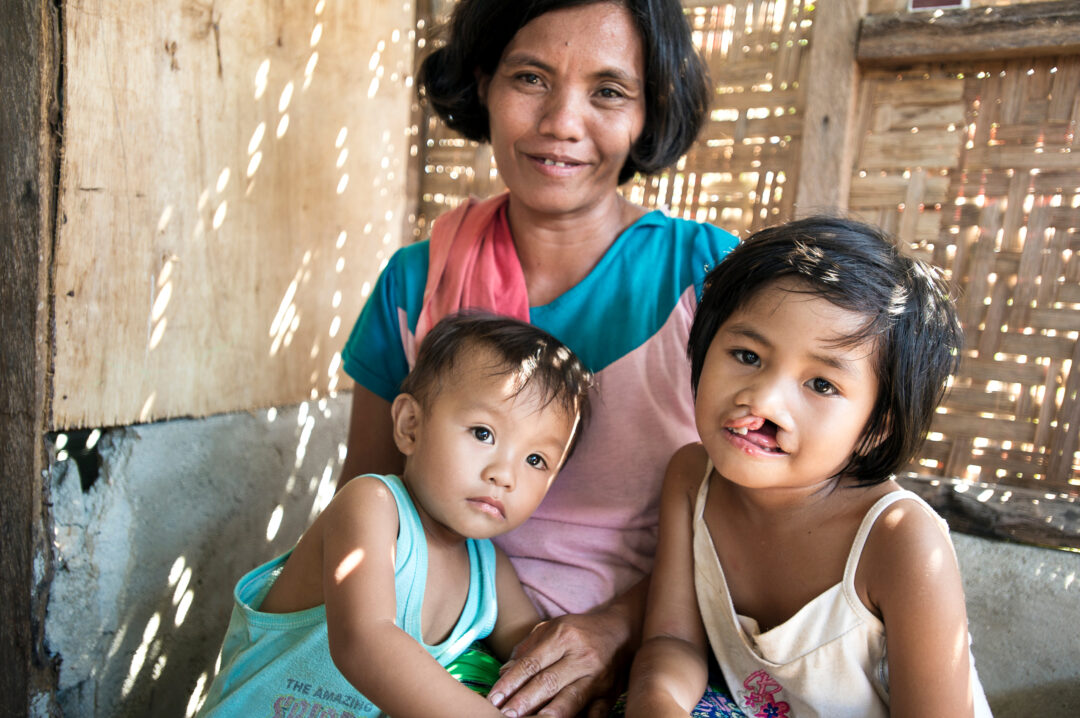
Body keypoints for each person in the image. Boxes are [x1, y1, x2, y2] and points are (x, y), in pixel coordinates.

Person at [338, 1, 738, 715]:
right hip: (431, 657)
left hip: (656, 660)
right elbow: (369, 513)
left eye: (609, 91)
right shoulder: (414, 284)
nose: (562, 122)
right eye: (530, 77)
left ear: (649, 113)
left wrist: (618, 632)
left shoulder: (711, 281)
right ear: (484, 83)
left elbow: (756, 526)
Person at [627, 217, 993, 718]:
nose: (763, 398)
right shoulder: (692, 478)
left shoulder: (899, 539)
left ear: (877, 426)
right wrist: (657, 702)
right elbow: (673, 639)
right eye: (747, 354)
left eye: (821, 384)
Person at [198, 313, 593, 717]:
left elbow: (535, 655)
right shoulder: (371, 506)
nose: (504, 475)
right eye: (483, 433)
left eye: (535, 459)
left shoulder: (490, 572)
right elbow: (365, 643)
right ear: (410, 426)